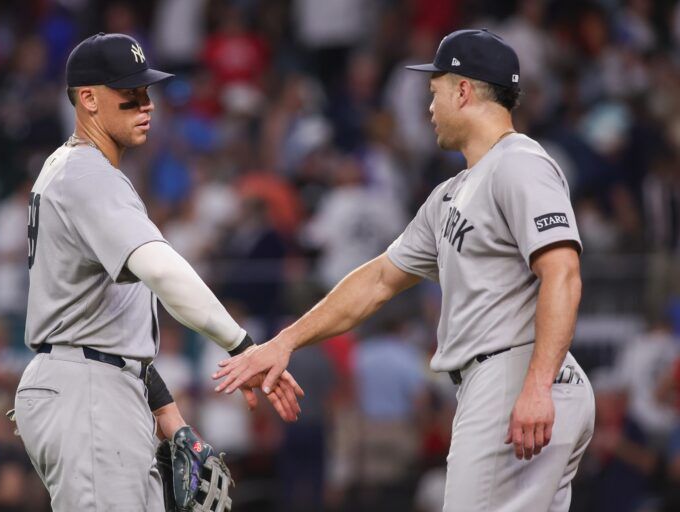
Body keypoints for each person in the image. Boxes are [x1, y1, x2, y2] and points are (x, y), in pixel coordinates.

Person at [215, 29, 596, 511]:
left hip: (516, 374)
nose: (429, 108)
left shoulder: (519, 163)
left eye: (434, 92)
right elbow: (377, 281)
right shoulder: (451, 194)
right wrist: (283, 342)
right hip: (506, 378)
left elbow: (563, 272)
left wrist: (537, 386)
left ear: (463, 90)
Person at [12, 32, 303, 511]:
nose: (146, 105)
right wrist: (244, 347)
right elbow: (165, 274)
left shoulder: (80, 171)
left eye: (147, 93)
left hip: (98, 381)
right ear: (88, 99)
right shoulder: (88, 175)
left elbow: (113, 324)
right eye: (129, 96)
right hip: (87, 390)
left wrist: (170, 418)